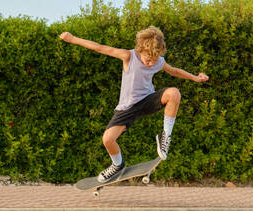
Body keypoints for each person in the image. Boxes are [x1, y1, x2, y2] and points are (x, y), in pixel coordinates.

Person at [60, 26, 209, 183]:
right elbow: (100, 48)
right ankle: (117, 165)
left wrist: (195, 78)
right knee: (108, 140)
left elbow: (174, 71)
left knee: (174, 93)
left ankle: (165, 136)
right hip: (127, 108)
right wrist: (72, 39)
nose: (151, 64)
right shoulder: (128, 56)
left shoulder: (158, 61)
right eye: (148, 60)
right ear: (140, 51)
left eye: (154, 60)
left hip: (147, 100)